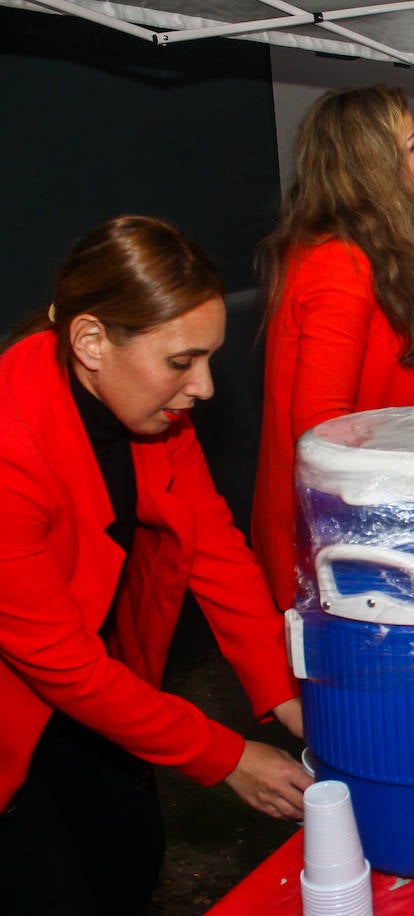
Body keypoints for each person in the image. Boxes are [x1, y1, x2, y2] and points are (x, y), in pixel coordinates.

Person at [0, 216, 311, 915]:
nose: (202, 387)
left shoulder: (152, 409)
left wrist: (283, 690)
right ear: (90, 342)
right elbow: (64, 666)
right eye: (181, 362)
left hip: (105, 693)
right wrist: (227, 756)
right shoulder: (9, 447)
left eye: (207, 359)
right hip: (21, 717)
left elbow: (213, 546)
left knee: (128, 858)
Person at [253, 85, 414, 610]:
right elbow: (322, 434)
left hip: (371, 528)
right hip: (340, 542)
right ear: (371, 167)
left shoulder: (365, 257)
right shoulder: (338, 264)